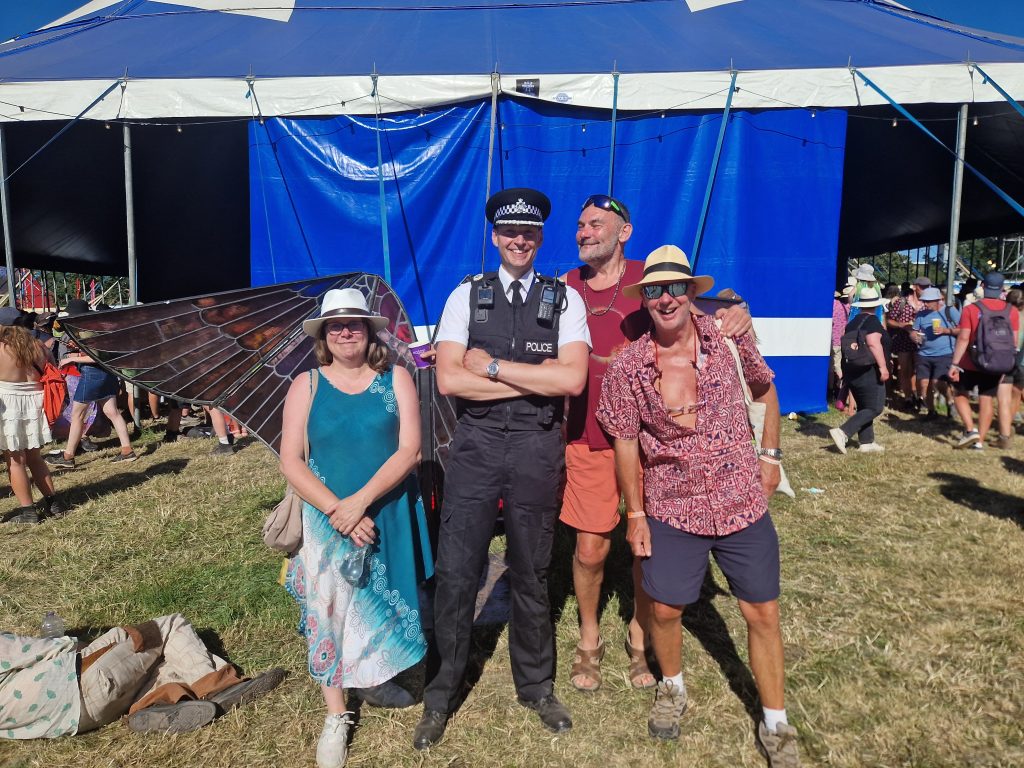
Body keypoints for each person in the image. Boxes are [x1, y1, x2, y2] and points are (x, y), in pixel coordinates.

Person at [595, 245, 798, 767]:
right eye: (654, 290)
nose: (665, 298)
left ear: (692, 292)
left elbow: (765, 388)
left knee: (763, 611)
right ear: (645, 300)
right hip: (671, 505)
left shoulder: (730, 337)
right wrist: (634, 514)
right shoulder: (630, 367)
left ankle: (775, 721)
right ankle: (673, 687)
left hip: (740, 499)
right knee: (665, 608)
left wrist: (770, 456)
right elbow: (624, 441)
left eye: (675, 288)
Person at [414, 188, 590, 749]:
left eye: (530, 233)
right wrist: (534, 374)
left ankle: (536, 685)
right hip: (477, 446)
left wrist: (490, 366)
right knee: (458, 569)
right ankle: (441, 692)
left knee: (532, 569)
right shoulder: (467, 296)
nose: (520, 240)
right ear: (494, 236)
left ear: (541, 239)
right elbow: (447, 380)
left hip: (538, 448)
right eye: (510, 232)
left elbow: (572, 381)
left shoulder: (564, 301)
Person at [560, 194, 752, 693]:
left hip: (657, 443)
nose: (583, 232)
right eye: (580, 225)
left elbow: (718, 304)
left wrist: (739, 309)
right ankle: (588, 637)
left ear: (624, 232)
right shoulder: (563, 287)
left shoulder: (653, 277)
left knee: (652, 552)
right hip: (588, 435)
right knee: (590, 548)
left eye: (595, 224)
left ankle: (639, 635)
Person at [280, 288, 432, 768]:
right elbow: (291, 460)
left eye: (355, 323)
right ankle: (336, 715)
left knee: (377, 599)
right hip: (326, 521)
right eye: (336, 325)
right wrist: (336, 511)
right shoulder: (304, 384)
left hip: (384, 510)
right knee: (329, 610)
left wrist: (360, 504)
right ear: (324, 335)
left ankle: (374, 673)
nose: (346, 331)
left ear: (370, 330)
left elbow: (409, 450)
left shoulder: (399, 377)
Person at [0, 613, 285, 739]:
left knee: (156, 660)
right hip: (81, 682)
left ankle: (156, 703)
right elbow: (50, 648)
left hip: (80, 720)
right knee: (166, 628)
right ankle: (219, 686)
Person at [45, 299, 137, 468]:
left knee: (77, 415)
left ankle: (68, 456)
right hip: (107, 375)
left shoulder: (87, 331)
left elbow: (96, 358)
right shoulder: (95, 328)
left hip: (92, 375)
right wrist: (78, 348)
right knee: (112, 412)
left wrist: (71, 358)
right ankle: (127, 450)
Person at [948, 271, 1019, 450]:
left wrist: (955, 363)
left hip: (969, 361)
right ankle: (979, 441)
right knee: (986, 399)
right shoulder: (1012, 311)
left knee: (958, 393)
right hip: (996, 362)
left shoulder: (971, 309)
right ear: (1002, 289)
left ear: (983, 287)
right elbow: (1014, 342)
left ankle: (970, 430)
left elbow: (964, 338)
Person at [0, 323, 62, 524]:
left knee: (15, 461)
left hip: (9, 404)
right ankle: (54, 504)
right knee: (36, 457)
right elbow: (51, 367)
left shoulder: (1, 349)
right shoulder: (38, 346)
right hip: (36, 400)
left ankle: (28, 512)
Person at [830, 287, 891, 454]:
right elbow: (873, 342)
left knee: (865, 405)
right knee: (875, 407)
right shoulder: (873, 322)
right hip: (869, 369)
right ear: (876, 306)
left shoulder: (852, 323)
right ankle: (843, 432)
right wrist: (883, 367)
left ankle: (866, 441)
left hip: (852, 368)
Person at [911, 286, 959, 419]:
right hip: (924, 354)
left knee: (939, 383)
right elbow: (914, 330)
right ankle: (931, 411)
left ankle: (950, 401)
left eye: (928, 301)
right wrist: (914, 336)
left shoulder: (950, 311)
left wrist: (946, 331)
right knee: (924, 384)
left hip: (944, 353)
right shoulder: (921, 314)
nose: (925, 304)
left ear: (938, 300)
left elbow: (963, 330)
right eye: (923, 301)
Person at [886, 283, 918, 408]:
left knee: (917, 370)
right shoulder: (901, 303)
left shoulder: (927, 303)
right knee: (905, 369)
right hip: (903, 340)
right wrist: (902, 325)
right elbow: (889, 320)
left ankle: (917, 395)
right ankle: (908, 397)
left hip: (921, 340)